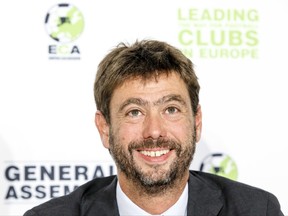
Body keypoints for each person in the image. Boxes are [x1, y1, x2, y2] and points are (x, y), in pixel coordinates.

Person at [24, 39, 284, 216]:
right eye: (134, 112)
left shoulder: (257, 210)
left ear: (196, 121)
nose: (155, 131)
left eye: (170, 109)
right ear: (105, 129)